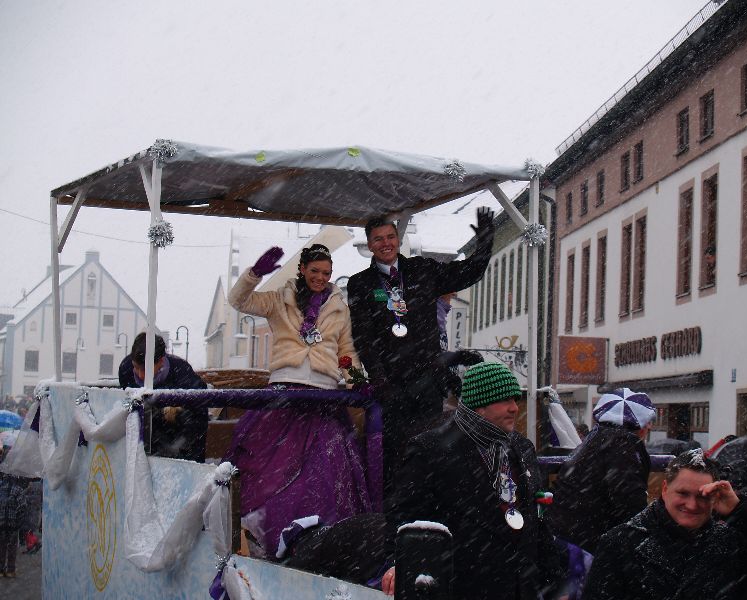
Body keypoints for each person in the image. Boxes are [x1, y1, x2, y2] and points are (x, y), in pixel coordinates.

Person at [226, 244, 372, 559]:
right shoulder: (280, 299)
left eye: (326, 273)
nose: (320, 277)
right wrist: (254, 274)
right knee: (271, 468)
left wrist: (357, 380)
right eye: (315, 271)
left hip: (323, 396)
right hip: (285, 395)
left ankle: (321, 537)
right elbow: (238, 301)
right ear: (302, 269)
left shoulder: (339, 307)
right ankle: (265, 533)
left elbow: (345, 351)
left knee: (323, 467)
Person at [382, 362, 565, 600]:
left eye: (515, 399)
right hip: (465, 585)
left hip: (520, 588)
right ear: (480, 406)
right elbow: (403, 514)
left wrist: (555, 584)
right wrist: (398, 562)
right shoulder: (430, 449)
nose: (514, 408)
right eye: (504, 400)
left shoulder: (523, 448)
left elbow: (538, 522)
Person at [348, 208, 494, 496]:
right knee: (394, 455)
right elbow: (363, 335)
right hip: (391, 385)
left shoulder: (423, 269)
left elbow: (469, 273)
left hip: (428, 381)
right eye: (378, 239)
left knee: (429, 449)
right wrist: (378, 377)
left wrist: (485, 242)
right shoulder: (360, 283)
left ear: (398, 239)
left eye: (390, 237)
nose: (386, 243)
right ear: (370, 245)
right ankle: (394, 511)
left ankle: (428, 506)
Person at [583, 449, 747, 600]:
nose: (692, 505)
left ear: (715, 496)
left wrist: (739, 510)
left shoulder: (730, 542)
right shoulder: (620, 543)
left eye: (702, 496)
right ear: (665, 489)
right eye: (683, 493)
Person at [547, 388, 654, 554]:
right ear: (641, 427)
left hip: (565, 537)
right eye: (648, 422)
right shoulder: (623, 447)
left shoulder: (594, 438)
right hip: (585, 547)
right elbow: (630, 505)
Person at [118, 332, 208, 463]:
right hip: (141, 439)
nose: (140, 375)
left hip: (180, 442)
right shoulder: (126, 369)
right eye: (136, 367)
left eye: (146, 369)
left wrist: (179, 409)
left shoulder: (183, 373)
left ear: (161, 361)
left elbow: (200, 408)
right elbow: (125, 402)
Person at [0, 473, 27, 578]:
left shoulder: (1, 488)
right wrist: (18, 522)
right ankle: (10, 570)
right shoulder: (18, 489)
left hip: (1, 524)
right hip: (13, 524)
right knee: (12, 547)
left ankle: (1, 570)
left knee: (1, 546)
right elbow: (23, 507)